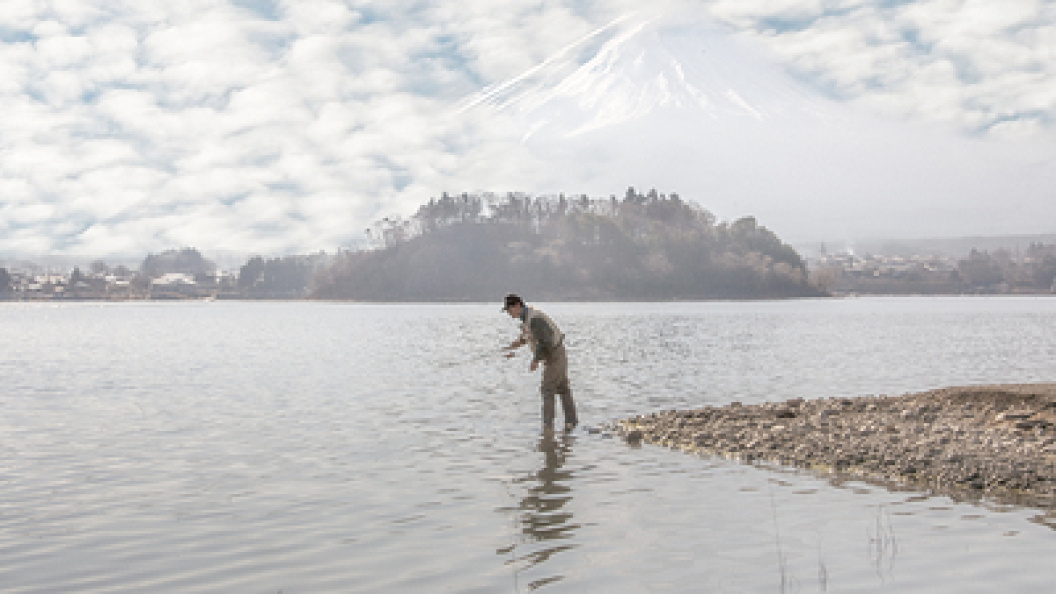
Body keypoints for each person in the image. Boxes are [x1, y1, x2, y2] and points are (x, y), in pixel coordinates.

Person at [502, 293, 578, 431]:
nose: (508, 313)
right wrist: (518, 342)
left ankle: (547, 427)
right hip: (556, 353)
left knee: (547, 389)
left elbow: (545, 341)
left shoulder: (535, 318)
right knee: (562, 387)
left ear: (518, 305)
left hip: (554, 354)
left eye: (509, 309)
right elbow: (531, 334)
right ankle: (571, 422)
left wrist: (535, 360)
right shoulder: (527, 317)